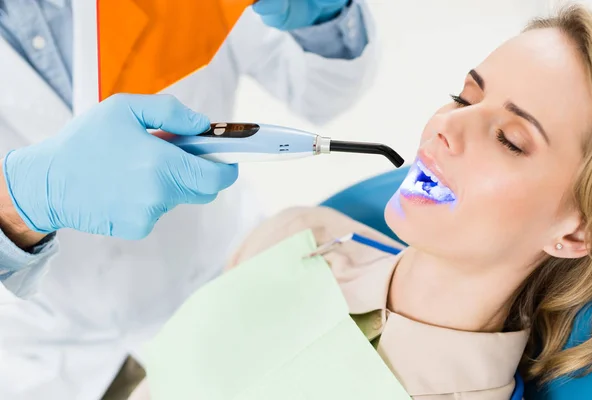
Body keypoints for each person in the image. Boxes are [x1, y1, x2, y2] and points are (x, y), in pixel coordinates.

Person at [129, 3, 592, 399]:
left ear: (576, 232)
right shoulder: (299, 235)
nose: (446, 126)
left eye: (509, 139)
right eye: (464, 97)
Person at [0, 0, 378, 399]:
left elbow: (321, 91)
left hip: (226, 283)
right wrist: (18, 203)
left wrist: (325, 17)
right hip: (53, 358)